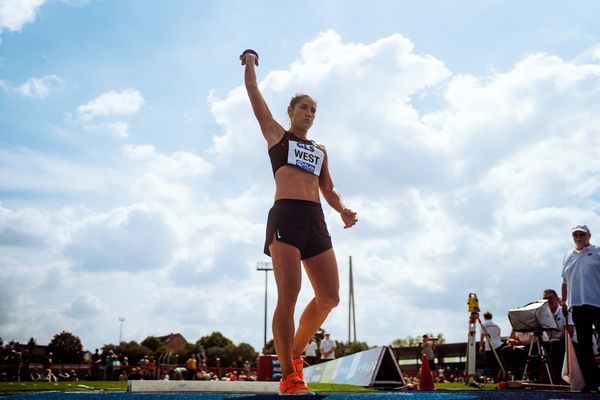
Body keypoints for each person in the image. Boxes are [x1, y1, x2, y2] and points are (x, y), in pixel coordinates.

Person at [241, 49, 358, 395]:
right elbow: (253, 92)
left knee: (329, 297)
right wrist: (249, 62)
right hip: (286, 216)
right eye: (303, 107)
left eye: (314, 110)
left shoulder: (320, 150)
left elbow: (329, 189)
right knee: (288, 294)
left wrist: (344, 210)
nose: (309, 113)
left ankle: (294, 353)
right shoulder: (277, 135)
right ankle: (290, 377)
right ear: (290, 112)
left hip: (316, 219)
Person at [561, 224, 600, 392]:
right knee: (584, 346)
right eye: (575, 234)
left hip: (597, 303)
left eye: (581, 234)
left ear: (588, 236)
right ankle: (591, 382)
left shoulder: (598, 251)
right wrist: (564, 301)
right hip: (577, 306)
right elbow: (564, 281)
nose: (578, 237)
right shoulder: (568, 255)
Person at [541, 289, 573, 384]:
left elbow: (570, 331)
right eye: (545, 299)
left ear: (556, 299)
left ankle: (559, 379)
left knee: (555, 344)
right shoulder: (543, 315)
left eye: (550, 298)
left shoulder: (564, 312)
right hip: (551, 344)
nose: (548, 301)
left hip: (568, 343)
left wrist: (557, 340)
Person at [479, 311, 503, 382]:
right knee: (498, 363)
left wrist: (480, 346)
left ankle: (496, 379)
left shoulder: (483, 325)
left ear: (484, 317)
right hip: (498, 345)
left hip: (489, 347)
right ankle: (499, 378)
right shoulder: (497, 326)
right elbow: (498, 336)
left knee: (491, 364)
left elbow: (482, 336)